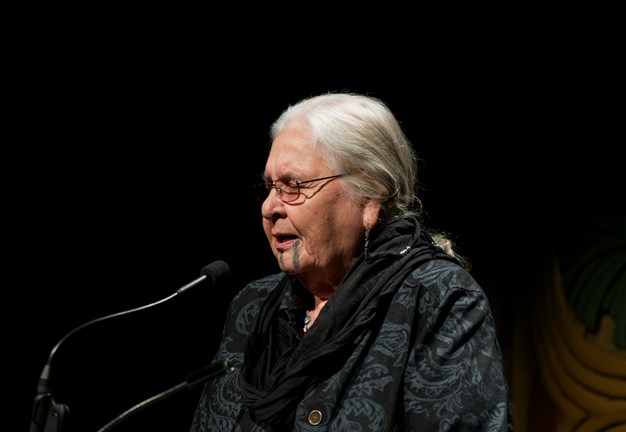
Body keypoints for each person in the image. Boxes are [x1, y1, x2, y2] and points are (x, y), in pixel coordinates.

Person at [191, 92, 514, 431]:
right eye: (270, 186)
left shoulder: (436, 297)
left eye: (293, 186)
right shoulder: (253, 307)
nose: (270, 207)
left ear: (369, 195)